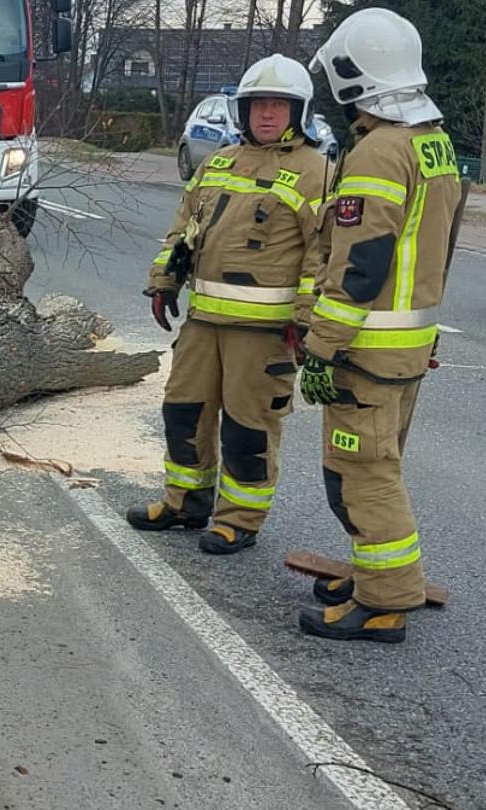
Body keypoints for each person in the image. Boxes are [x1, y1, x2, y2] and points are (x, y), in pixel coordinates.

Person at [296, 7, 462, 643]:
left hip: (366, 350)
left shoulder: (378, 151)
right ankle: (373, 576)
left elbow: (360, 264)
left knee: (364, 474)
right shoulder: (433, 141)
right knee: (377, 465)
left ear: (351, 74)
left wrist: (320, 346)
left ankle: (386, 601)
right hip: (409, 345)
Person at [124, 54, 331, 555]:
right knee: (183, 413)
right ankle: (185, 502)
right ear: (242, 110)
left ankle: (239, 519)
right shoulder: (219, 162)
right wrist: (164, 279)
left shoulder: (315, 172)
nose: (266, 114)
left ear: (298, 112)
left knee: (248, 429)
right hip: (203, 322)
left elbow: (321, 255)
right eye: (258, 104)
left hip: (263, 334)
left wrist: (306, 323)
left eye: (278, 106)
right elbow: (184, 226)